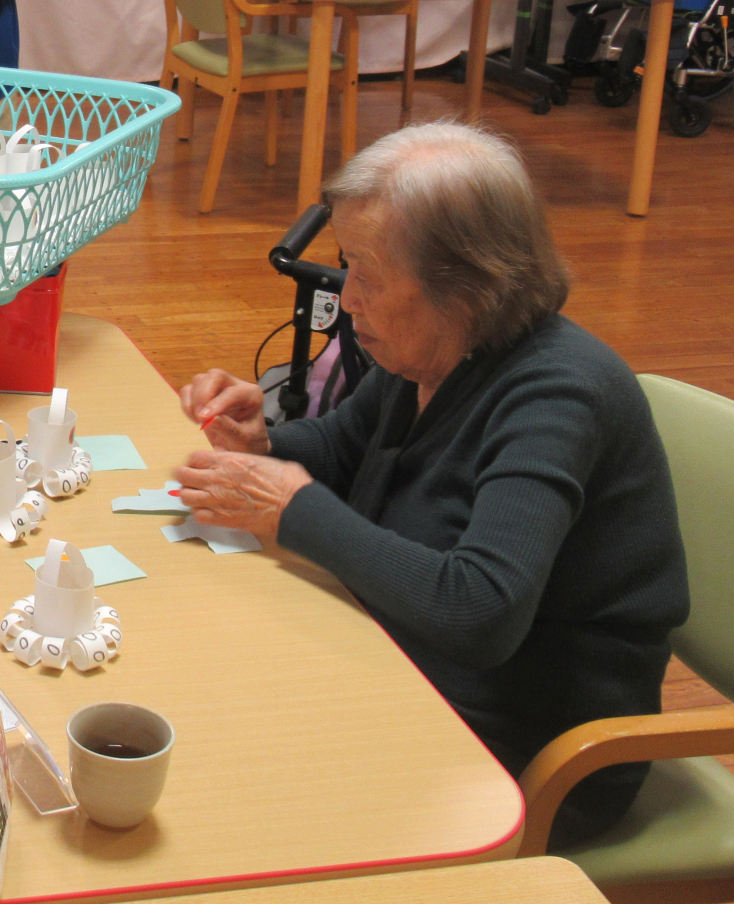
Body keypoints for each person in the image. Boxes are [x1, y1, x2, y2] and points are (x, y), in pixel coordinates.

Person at [173, 122, 689, 848]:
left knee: (233, 785)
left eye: (369, 276)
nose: (348, 298)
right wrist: (264, 444)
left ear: (465, 287)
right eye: (347, 265)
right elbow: (344, 447)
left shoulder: (559, 396)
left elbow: (479, 612)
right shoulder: (434, 351)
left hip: (531, 753)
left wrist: (292, 508)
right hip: (409, 675)